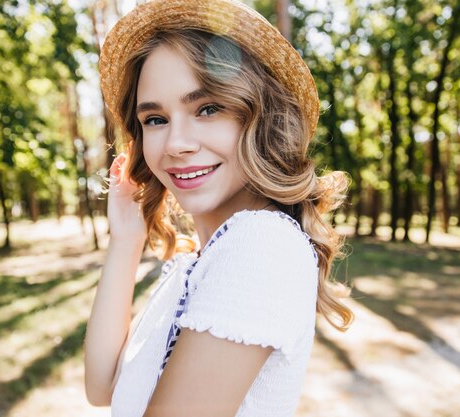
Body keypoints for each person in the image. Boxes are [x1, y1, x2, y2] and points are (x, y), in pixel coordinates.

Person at [84, 1, 354, 416]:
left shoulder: (261, 245)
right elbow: (103, 386)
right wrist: (126, 240)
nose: (176, 143)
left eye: (207, 109)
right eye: (155, 118)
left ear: (259, 118)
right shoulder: (201, 259)